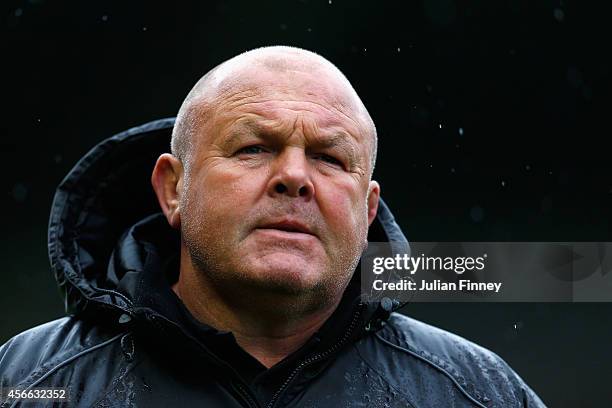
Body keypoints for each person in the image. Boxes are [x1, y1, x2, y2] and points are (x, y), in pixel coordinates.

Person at [0, 46, 546, 407]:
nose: (294, 177)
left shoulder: (475, 393)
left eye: (330, 158)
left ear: (368, 207)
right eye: (254, 147)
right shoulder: (28, 383)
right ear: (173, 189)